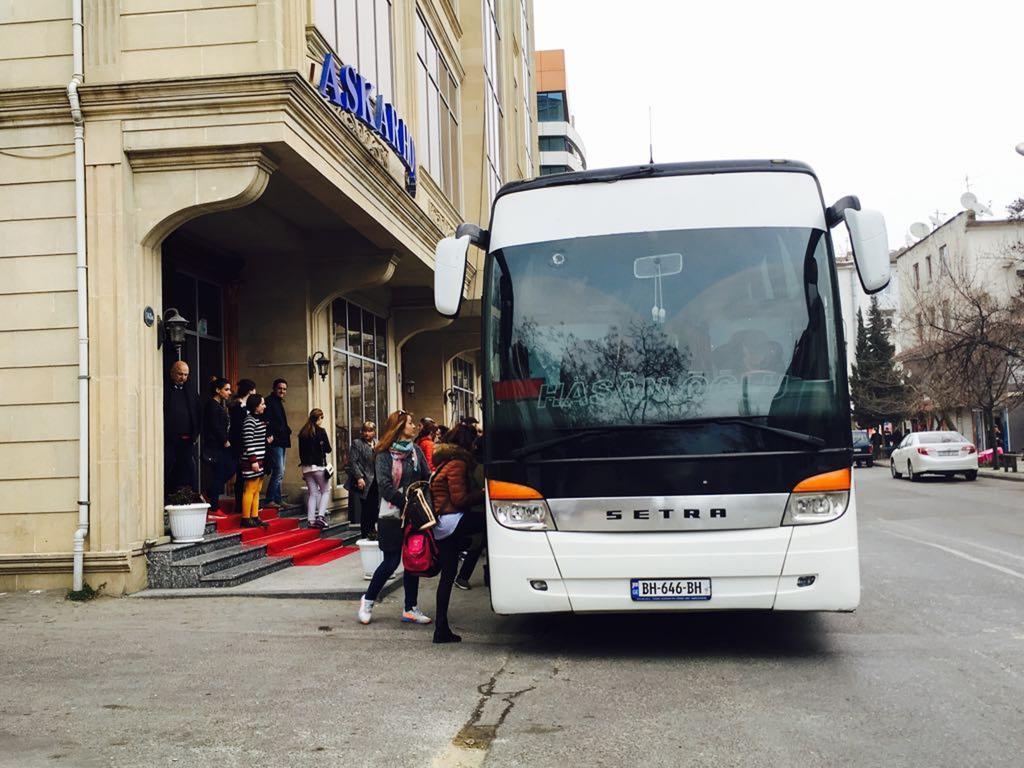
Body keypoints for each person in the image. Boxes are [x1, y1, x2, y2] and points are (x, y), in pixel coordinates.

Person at [357, 410, 432, 627]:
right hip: (391, 513)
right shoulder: (383, 454)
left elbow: (426, 478)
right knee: (390, 562)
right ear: (399, 427)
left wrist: (422, 503)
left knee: (413, 561)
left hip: (414, 514)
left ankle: (410, 608)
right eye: (410, 423)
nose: (414, 426)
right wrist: (406, 503)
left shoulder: (416, 450)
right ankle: (368, 601)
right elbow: (385, 486)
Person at [429, 423, 486, 643]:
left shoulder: (444, 461)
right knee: (492, 524)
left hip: (442, 524)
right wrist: (482, 492)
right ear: (466, 443)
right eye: (472, 441)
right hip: (451, 520)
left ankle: (441, 630)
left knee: (448, 575)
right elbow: (459, 500)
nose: (474, 446)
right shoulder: (457, 464)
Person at [163, 360, 201, 496]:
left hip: (187, 438)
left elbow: (197, 411)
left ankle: (186, 492)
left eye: (186, 375)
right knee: (168, 465)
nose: (183, 378)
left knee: (188, 467)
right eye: (180, 374)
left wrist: (196, 433)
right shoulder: (164, 388)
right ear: (172, 373)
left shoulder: (190, 389)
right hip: (169, 438)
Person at [239, 394, 271, 528]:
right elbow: (248, 441)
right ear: (255, 406)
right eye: (262, 404)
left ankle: (254, 516)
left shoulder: (257, 419)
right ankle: (246, 518)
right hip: (252, 460)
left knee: (257, 489)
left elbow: (256, 439)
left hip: (259, 459)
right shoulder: (249, 420)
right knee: (250, 489)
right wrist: (253, 460)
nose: (264, 406)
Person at [298, 408, 333, 529]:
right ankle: (321, 517)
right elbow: (328, 449)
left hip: (306, 468)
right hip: (318, 466)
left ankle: (311, 520)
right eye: (322, 418)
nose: (322, 420)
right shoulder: (321, 431)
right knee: (325, 491)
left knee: (312, 493)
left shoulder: (303, 431)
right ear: (319, 418)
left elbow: (301, 452)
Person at [201, 377, 233, 509]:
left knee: (226, 470)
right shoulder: (212, 406)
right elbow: (215, 426)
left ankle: (210, 493)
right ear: (217, 390)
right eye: (226, 389)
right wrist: (224, 440)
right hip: (215, 446)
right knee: (219, 474)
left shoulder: (219, 405)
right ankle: (213, 505)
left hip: (220, 445)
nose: (229, 392)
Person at [345, 421, 379, 539]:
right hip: (365, 480)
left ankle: (373, 530)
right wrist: (359, 477)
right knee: (366, 508)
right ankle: (366, 533)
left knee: (375, 507)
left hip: (377, 480)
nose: (366, 433)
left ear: (374, 432)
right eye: (364, 431)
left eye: (370, 431)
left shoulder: (377, 443)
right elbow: (352, 462)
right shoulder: (357, 443)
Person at [228, 379, 257, 515]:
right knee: (240, 475)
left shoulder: (247, 406)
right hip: (239, 445)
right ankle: (240, 504)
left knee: (246, 476)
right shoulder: (236, 406)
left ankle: (245, 505)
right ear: (250, 390)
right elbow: (237, 427)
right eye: (254, 390)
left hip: (247, 445)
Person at [264, 378, 291, 508]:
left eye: (284, 389)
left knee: (281, 471)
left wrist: (286, 429)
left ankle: (278, 499)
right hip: (275, 442)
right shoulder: (269, 402)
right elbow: (267, 421)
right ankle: (269, 499)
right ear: (274, 388)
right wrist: (277, 432)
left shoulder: (278, 402)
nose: (282, 391)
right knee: (278, 470)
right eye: (280, 388)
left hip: (282, 440)